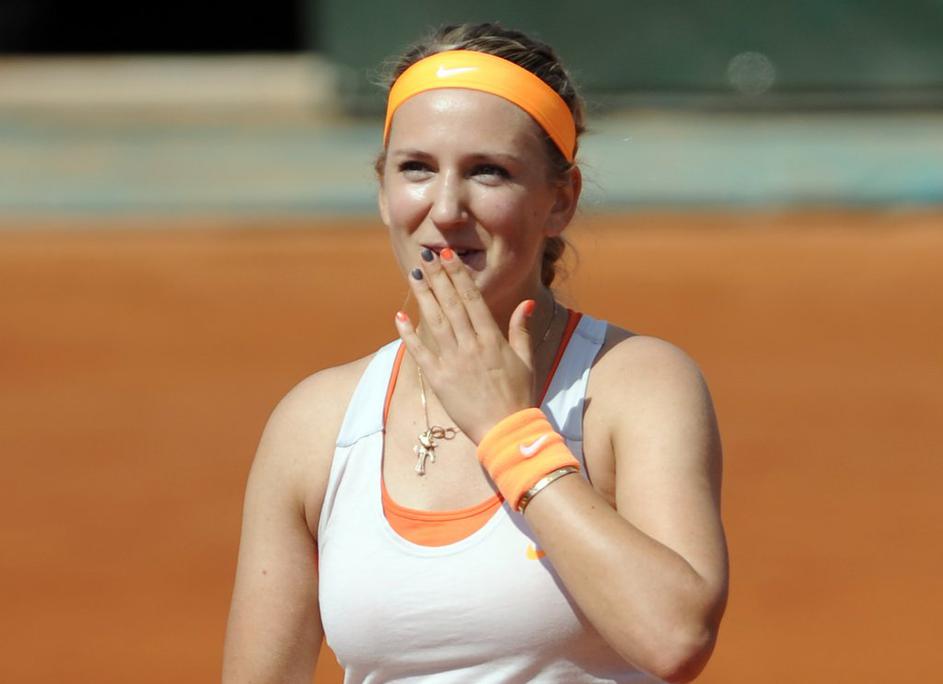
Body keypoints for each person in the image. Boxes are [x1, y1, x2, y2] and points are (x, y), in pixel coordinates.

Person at [223, 22, 728, 684]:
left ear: (560, 201)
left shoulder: (633, 385)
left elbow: (675, 636)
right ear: (383, 193)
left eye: (488, 171)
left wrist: (509, 433)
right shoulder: (317, 423)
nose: (446, 209)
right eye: (416, 168)